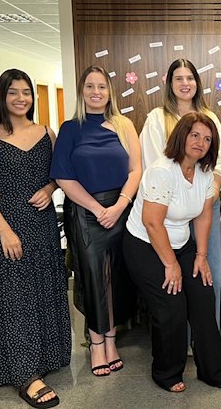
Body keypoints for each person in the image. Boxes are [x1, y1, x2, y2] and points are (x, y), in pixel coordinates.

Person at [0, 69, 71, 407]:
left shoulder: (47, 133)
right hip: (7, 228)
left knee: (43, 290)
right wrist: (4, 230)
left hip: (42, 226)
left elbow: (60, 174)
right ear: (2, 96)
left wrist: (50, 188)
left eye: (26, 92)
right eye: (13, 92)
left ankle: (46, 358)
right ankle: (26, 374)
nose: (20, 98)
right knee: (15, 298)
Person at [124, 112, 221, 392]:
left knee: (203, 296)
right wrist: (171, 264)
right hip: (144, 243)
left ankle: (213, 371)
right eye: (195, 135)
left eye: (207, 139)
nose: (200, 143)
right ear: (181, 136)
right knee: (172, 303)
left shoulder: (204, 172)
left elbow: (204, 215)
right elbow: (152, 222)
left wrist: (201, 256)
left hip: (181, 243)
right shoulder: (162, 171)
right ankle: (167, 372)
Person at [50, 65, 141, 376]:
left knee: (116, 277)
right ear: (82, 91)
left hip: (121, 209)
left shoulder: (124, 126)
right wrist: (97, 209)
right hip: (85, 212)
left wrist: (119, 206)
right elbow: (63, 177)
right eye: (90, 86)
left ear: (109, 92)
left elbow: (136, 170)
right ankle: (97, 344)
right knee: (92, 277)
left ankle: (112, 341)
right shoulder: (70, 129)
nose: (96, 92)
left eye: (101, 86)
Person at [140, 58, 221, 328]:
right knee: (175, 275)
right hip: (169, 210)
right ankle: (181, 339)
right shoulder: (156, 118)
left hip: (204, 204)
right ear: (170, 84)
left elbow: (219, 160)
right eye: (178, 78)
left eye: (190, 78)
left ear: (197, 83)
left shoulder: (210, 118)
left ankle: (207, 337)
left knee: (207, 271)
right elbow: (154, 164)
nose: (185, 83)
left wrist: (210, 193)